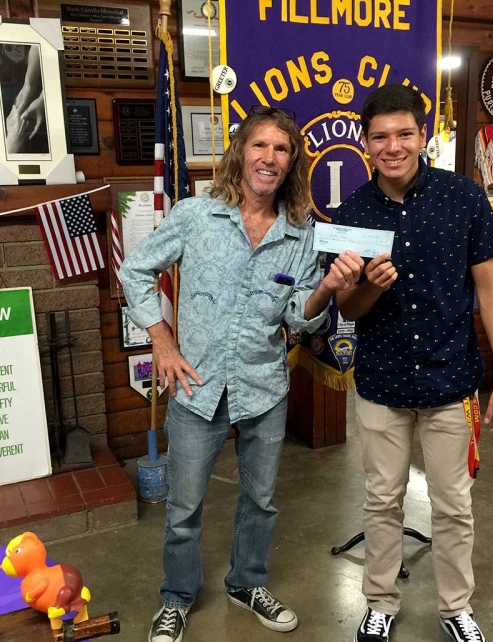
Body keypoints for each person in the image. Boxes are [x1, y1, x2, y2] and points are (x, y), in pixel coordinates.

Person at [119, 107, 363, 642]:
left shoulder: (301, 235)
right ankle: (177, 596)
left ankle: (245, 582)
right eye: (260, 146)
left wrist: (326, 289)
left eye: (281, 150)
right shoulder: (195, 214)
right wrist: (161, 339)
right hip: (196, 387)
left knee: (260, 500)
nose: (269, 159)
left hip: (264, 388)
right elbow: (135, 269)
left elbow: (300, 314)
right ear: (241, 152)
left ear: (291, 162)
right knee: (183, 507)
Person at [326, 85, 493, 642]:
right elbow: (349, 307)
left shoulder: (463, 197)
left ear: (422, 135)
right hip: (382, 382)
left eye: (403, 134)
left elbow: (489, 289)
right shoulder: (354, 211)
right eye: (380, 136)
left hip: (450, 381)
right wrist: (367, 287)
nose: (393, 146)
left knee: (453, 504)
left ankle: (456, 607)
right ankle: (380, 602)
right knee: (381, 499)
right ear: (365, 143)